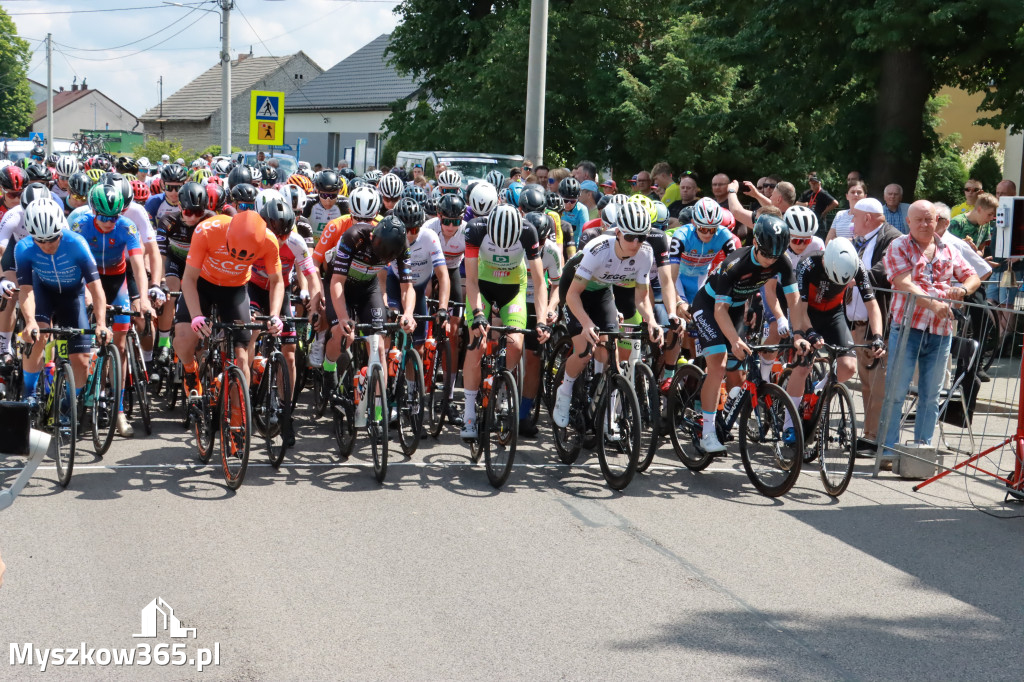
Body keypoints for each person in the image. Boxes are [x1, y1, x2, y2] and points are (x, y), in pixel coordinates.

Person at [687, 214, 812, 453]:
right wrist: (733, 340)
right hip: (709, 305)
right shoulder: (736, 263)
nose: (770, 261)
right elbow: (719, 310)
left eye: (775, 256)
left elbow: (794, 301)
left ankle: (727, 406)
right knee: (719, 363)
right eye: (766, 255)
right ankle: (708, 433)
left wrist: (797, 335)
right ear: (755, 243)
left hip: (734, 308)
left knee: (740, 374)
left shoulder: (781, 261)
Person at [881, 201, 980, 457]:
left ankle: (921, 452)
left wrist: (963, 289)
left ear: (937, 221)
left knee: (931, 396)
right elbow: (903, 283)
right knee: (896, 393)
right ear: (909, 223)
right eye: (919, 220)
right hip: (907, 329)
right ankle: (889, 451)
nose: (925, 225)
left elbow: (974, 275)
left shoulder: (949, 248)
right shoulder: (898, 246)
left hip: (941, 331)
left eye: (929, 219)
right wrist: (934, 303)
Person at [552, 203, 662, 428]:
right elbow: (573, 295)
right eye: (630, 236)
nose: (635, 243)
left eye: (641, 237)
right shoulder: (598, 248)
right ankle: (565, 391)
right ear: (619, 232)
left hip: (602, 290)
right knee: (584, 350)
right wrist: (586, 323)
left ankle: (600, 400)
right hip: (574, 289)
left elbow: (641, 299)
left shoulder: (646, 253)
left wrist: (651, 320)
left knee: (609, 353)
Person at [16, 198, 110, 400]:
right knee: (37, 336)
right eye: (39, 240)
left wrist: (101, 324)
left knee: (83, 360)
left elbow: (96, 288)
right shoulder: (23, 248)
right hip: (43, 292)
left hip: (73, 296)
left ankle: (69, 405)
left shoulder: (76, 244)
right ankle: (29, 394)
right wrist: (30, 321)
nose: (47, 245)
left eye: (52, 239)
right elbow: (25, 289)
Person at [843, 197, 902, 449]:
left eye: (854, 216)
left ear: (867, 218)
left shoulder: (892, 238)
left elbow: (880, 272)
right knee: (867, 383)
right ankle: (869, 435)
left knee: (878, 385)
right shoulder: (863, 239)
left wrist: (847, 273)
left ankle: (876, 438)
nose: (851, 221)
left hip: (878, 325)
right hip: (858, 323)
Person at [948, 191, 997, 256]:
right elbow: (946, 250)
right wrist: (963, 247)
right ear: (979, 209)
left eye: (993, 215)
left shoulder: (985, 224)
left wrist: (974, 252)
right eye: (989, 214)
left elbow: (981, 252)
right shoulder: (957, 223)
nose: (991, 218)